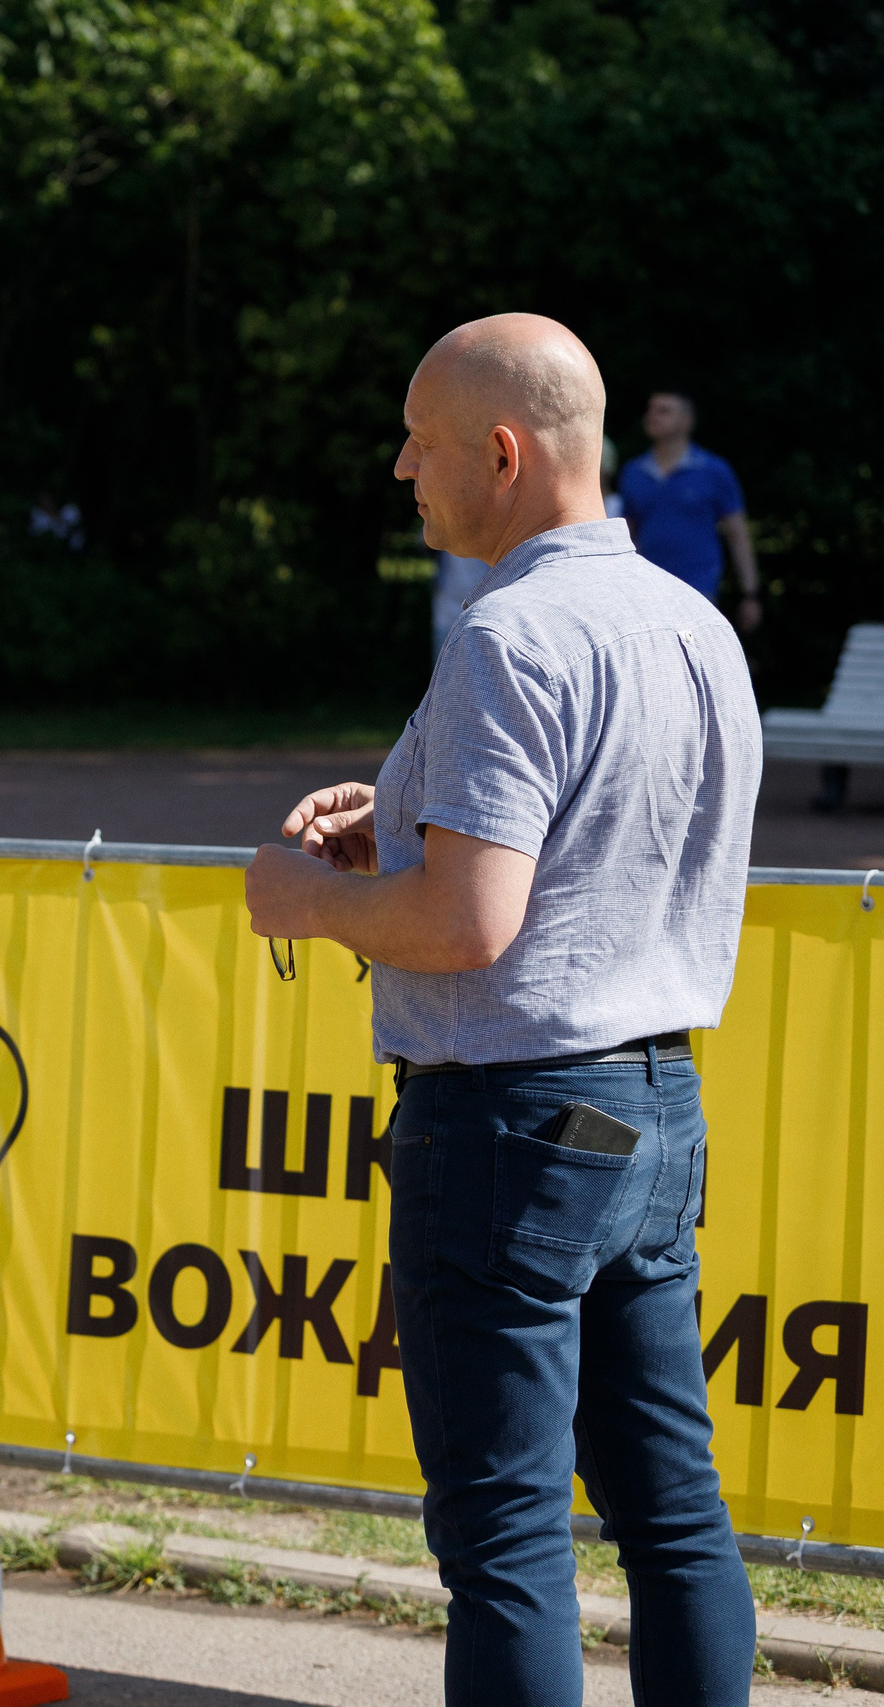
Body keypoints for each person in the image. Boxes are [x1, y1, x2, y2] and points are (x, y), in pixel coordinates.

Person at [244, 313, 759, 1703]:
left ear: (504, 449)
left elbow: (473, 923)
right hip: (654, 1105)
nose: (400, 462)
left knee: (508, 1535)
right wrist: (401, 814)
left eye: (420, 436)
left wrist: (302, 897)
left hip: (515, 1117)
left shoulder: (509, 634)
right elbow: (601, 841)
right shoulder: (696, 626)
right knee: (674, 1514)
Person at [617, 389, 761, 632]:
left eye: (664, 411)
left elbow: (738, 535)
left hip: (700, 591)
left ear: (687, 421)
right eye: (651, 409)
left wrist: (751, 593)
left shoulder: (714, 471)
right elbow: (627, 536)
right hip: (647, 594)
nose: (653, 416)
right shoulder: (633, 472)